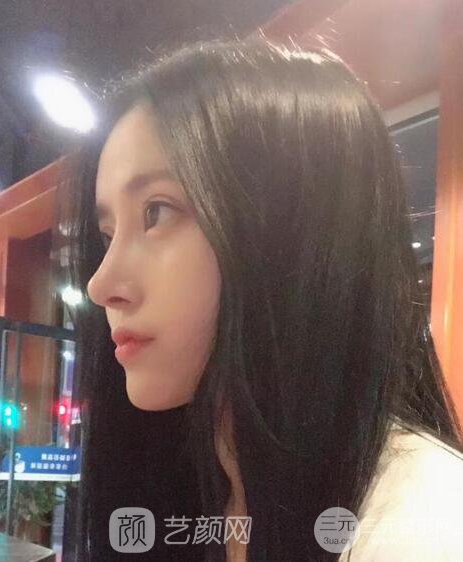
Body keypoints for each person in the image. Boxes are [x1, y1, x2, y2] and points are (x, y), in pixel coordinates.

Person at [62, 35, 463, 561]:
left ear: (294, 230)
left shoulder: (425, 527)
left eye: (156, 212)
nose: (100, 284)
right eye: (108, 235)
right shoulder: (207, 485)